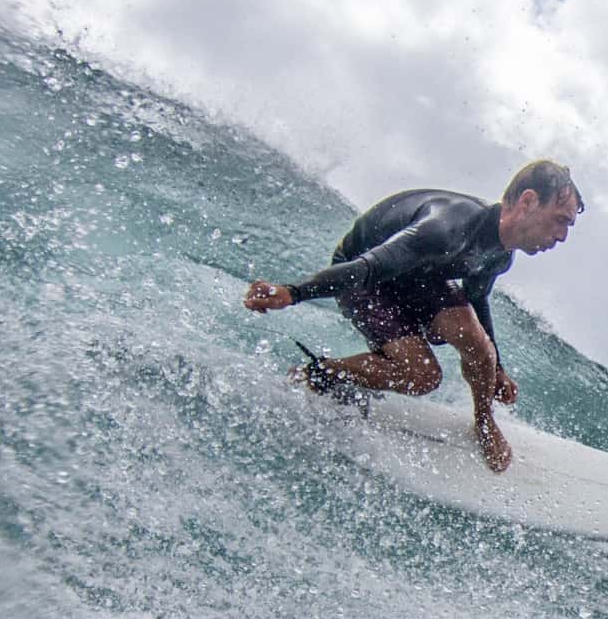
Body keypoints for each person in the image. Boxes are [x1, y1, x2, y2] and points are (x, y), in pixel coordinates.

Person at [242, 160, 584, 473]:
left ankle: (483, 421)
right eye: (560, 220)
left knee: (480, 346)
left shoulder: (499, 255)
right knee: (422, 376)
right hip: (367, 277)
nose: (563, 236)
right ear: (527, 201)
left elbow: (478, 298)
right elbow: (368, 268)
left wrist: (498, 370)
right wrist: (293, 292)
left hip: (420, 278)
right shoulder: (447, 227)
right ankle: (322, 373)